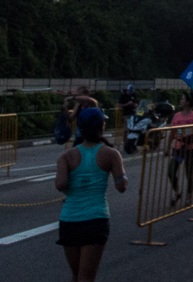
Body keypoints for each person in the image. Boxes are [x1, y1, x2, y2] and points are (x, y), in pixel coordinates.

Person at [55, 108, 127, 282]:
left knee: (75, 274)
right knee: (87, 276)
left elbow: (60, 184)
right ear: (102, 127)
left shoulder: (67, 156)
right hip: (95, 219)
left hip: (69, 220)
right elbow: (121, 187)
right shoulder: (111, 154)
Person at [166, 92, 193, 206]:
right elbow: (172, 133)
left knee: (189, 173)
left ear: (188, 102)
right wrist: (168, 147)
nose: (180, 101)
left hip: (191, 148)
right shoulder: (176, 116)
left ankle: (189, 197)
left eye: (182, 99)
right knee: (171, 171)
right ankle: (177, 192)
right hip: (178, 147)